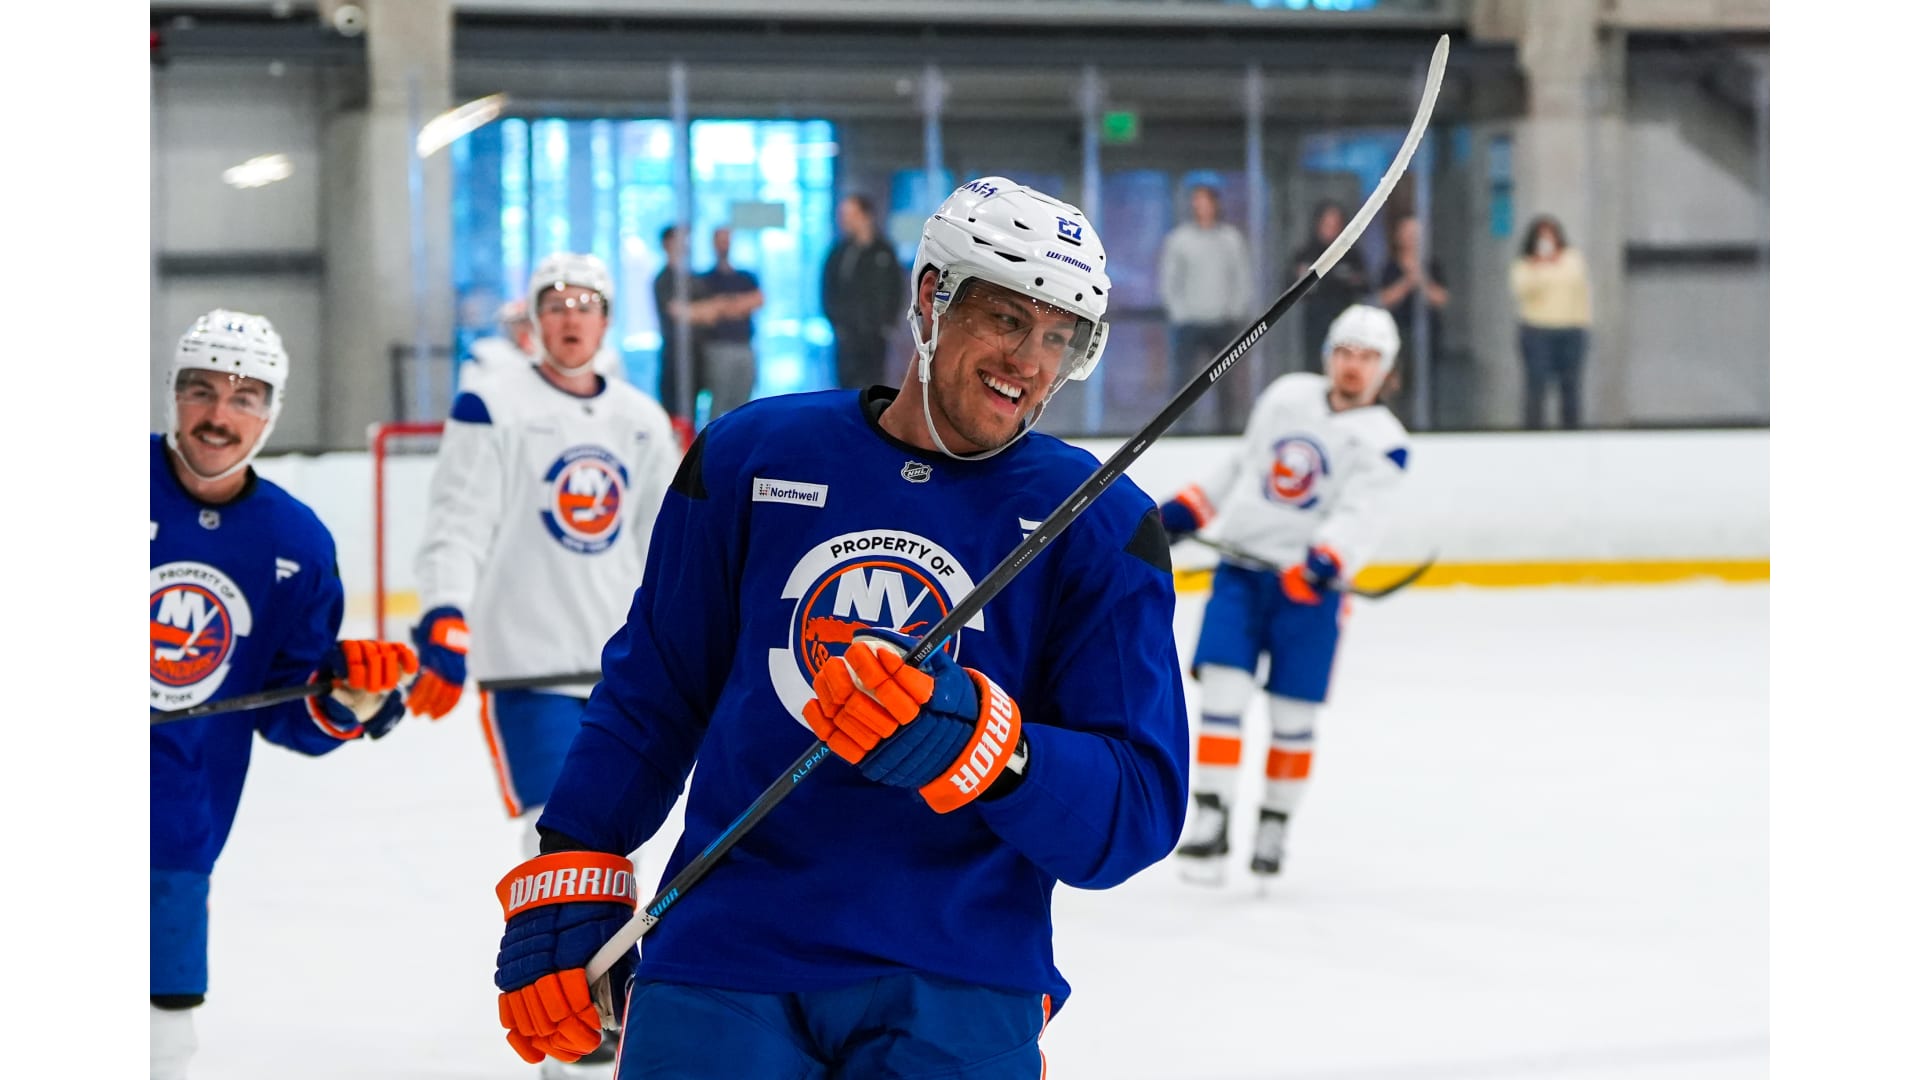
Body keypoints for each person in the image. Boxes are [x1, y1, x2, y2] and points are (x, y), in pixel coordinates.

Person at [486, 176, 1188, 1077]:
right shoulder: (749, 457)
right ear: (933, 298)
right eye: (1009, 320)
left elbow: (1136, 807)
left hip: (958, 978)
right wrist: (575, 857)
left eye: (1059, 337)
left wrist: (987, 747)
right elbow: (656, 690)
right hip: (724, 956)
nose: (1030, 362)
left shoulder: (1100, 522)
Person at [152, 310, 418, 1080]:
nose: (219, 415)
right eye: (201, 390)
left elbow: (288, 711)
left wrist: (350, 701)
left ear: (271, 413)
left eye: (245, 397)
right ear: (172, 394)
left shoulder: (296, 542)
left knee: (161, 1042)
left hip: (175, 830)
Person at [408, 250, 680, 864]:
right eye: (555, 305)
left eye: (585, 305)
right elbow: (458, 523)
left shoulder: (642, 419)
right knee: (554, 838)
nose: (570, 317)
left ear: (606, 321)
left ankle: (613, 936)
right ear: (534, 320)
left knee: (623, 834)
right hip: (529, 668)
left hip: (621, 668)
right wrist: (445, 611)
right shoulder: (492, 405)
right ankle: (551, 934)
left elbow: (666, 547)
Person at [1157, 304, 1411, 885]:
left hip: (1309, 593)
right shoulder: (1287, 397)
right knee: (1222, 692)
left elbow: (1361, 515)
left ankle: (1274, 821)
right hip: (1240, 576)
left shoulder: (1386, 443)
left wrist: (1326, 560)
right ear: (1328, 355)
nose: (1353, 365)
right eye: (1344, 352)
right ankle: (1212, 814)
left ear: (1386, 369)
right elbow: (1244, 465)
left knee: (1292, 715)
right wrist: (1191, 509)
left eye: (1367, 357)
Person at [1158, 183, 1254, 432]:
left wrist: (1235, 310)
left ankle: (1226, 429)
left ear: (1215, 204)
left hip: (1223, 321)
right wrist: (1179, 313)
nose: (1200, 206)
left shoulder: (1230, 239)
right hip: (1189, 323)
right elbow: (1169, 280)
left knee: (1226, 381)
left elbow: (1241, 277)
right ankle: (1182, 430)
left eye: (1205, 201)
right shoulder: (1179, 239)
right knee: (1184, 382)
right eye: (1196, 201)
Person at [1509, 214, 1592, 430]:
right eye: (1541, 238)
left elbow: (1574, 279)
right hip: (1537, 330)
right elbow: (1524, 289)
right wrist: (1540, 266)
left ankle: (1571, 431)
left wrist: (1550, 266)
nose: (1546, 242)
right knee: (1536, 386)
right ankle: (1533, 432)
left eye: (1550, 236)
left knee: (1570, 386)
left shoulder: (1572, 259)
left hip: (1571, 329)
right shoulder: (1524, 265)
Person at [822, 193, 907, 391]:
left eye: (850, 214)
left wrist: (887, 324)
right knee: (845, 388)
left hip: (875, 335)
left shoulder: (884, 251)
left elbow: (896, 289)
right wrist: (838, 324)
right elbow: (828, 290)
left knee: (873, 387)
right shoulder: (840, 253)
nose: (844, 220)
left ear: (866, 216)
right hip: (847, 336)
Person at [1374, 215, 1450, 423]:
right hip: (1399, 331)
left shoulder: (1432, 265)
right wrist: (1407, 281)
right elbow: (1384, 299)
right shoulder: (1390, 266)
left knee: (1428, 382)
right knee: (1398, 384)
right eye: (1407, 234)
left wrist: (1421, 279)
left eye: (1416, 234)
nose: (1412, 239)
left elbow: (1441, 298)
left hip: (1428, 333)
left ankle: (1429, 422)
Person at [1289, 200, 1372, 374]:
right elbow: (1291, 288)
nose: (1331, 229)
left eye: (1336, 225)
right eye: (1327, 224)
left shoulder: (1352, 255)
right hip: (1315, 323)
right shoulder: (1306, 253)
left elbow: (1364, 286)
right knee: (1315, 368)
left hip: (1345, 323)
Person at [693, 226, 765, 421]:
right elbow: (704, 312)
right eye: (720, 240)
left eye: (727, 240)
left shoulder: (745, 277)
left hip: (743, 346)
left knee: (744, 401)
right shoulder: (704, 280)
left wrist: (722, 305)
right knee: (719, 399)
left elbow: (757, 300)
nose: (724, 245)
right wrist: (736, 305)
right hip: (717, 348)